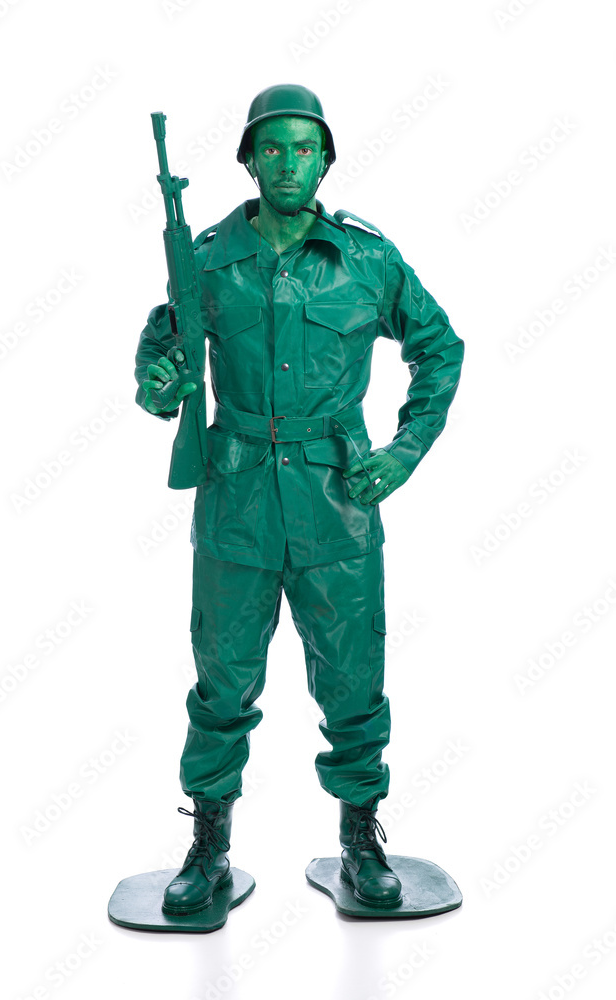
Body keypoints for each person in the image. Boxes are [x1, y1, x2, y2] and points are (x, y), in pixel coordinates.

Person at [133, 84, 464, 915]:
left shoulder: (366, 261)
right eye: (272, 147)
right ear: (249, 160)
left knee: (353, 681)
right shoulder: (207, 260)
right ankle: (208, 849)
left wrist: (404, 452)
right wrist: (162, 387)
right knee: (221, 685)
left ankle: (359, 842)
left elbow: (439, 348)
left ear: (325, 160)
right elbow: (158, 357)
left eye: (304, 147)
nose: (288, 162)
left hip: (336, 503)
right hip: (235, 504)